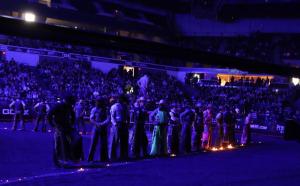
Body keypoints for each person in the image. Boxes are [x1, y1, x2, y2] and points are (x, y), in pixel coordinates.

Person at [48, 94, 84, 166]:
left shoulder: (69, 107)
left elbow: (73, 115)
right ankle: (59, 160)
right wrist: (54, 125)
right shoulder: (58, 106)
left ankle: (72, 157)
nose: (72, 104)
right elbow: (49, 115)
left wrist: (72, 124)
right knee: (60, 142)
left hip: (67, 126)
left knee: (77, 138)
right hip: (59, 127)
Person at [88, 97, 110, 162]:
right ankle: (90, 158)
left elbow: (108, 118)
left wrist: (102, 124)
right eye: (97, 102)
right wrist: (97, 123)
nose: (97, 103)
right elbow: (91, 118)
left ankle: (103, 158)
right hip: (96, 127)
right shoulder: (94, 109)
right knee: (93, 143)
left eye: (98, 102)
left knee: (103, 143)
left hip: (103, 127)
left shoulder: (106, 109)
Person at [109, 95, 129, 161]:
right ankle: (113, 156)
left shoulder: (125, 106)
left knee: (123, 140)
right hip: (117, 124)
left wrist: (127, 123)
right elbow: (112, 116)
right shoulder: (114, 106)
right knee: (115, 140)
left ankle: (122, 155)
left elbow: (127, 115)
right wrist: (115, 124)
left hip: (123, 123)